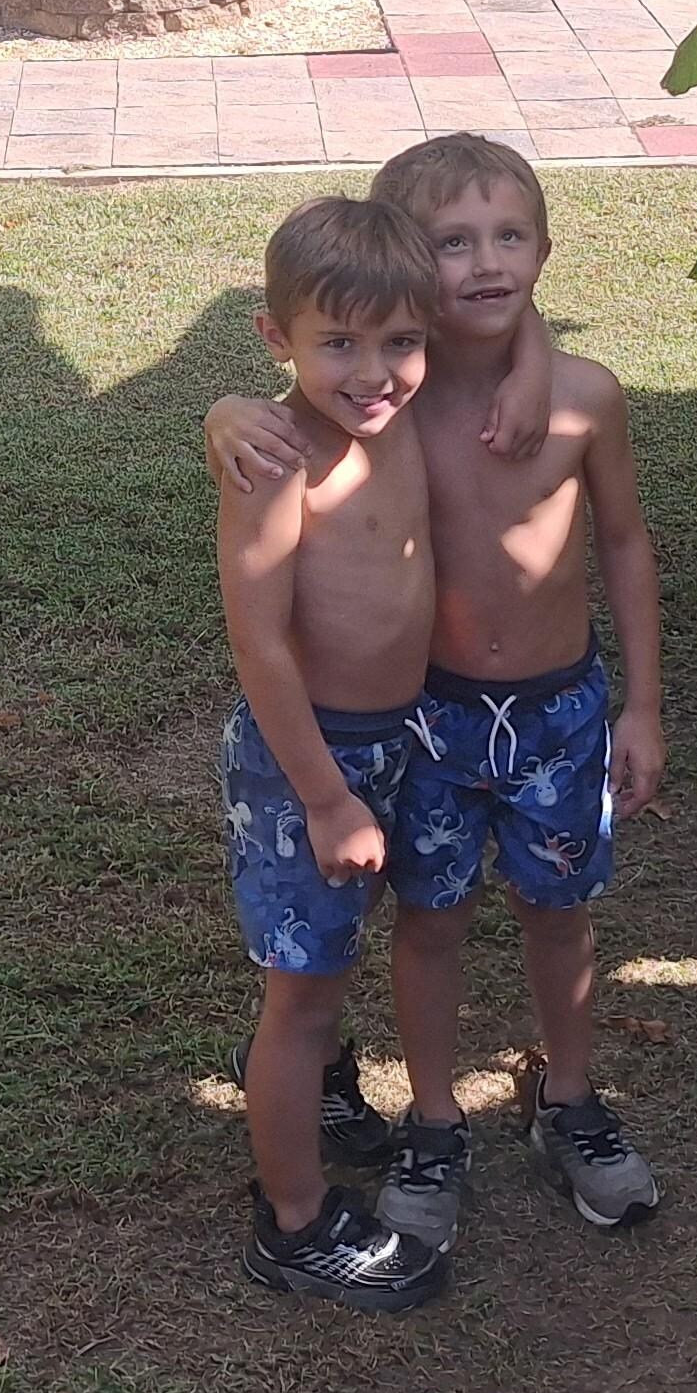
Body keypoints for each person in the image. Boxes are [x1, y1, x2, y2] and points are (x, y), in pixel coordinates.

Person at [207, 134, 668, 1250]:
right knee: (431, 919)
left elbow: (624, 540)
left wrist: (645, 705)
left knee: (561, 912)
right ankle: (432, 1121)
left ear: (544, 250)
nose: (487, 262)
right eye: (454, 243)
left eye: (511, 237)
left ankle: (569, 1100)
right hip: (432, 720)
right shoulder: (387, 402)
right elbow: (305, 382)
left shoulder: (576, 398)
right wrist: (221, 409)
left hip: (562, 714)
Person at [214, 195, 451, 1311]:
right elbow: (259, 643)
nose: (374, 372)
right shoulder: (275, 457)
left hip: (400, 738)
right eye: (338, 344)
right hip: (304, 758)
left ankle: (319, 1088)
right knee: (301, 994)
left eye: (400, 340)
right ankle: (295, 1224)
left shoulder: (404, 420)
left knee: (331, 960)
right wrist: (323, 797)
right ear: (278, 337)